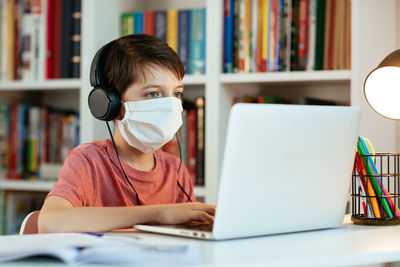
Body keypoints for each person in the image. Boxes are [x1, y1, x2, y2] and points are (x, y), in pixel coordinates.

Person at [38, 34, 215, 233]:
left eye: (176, 94)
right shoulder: (88, 161)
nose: (170, 105)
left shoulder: (175, 169)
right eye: (153, 94)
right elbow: (49, 222)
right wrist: (157, 214)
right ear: (109, 103)